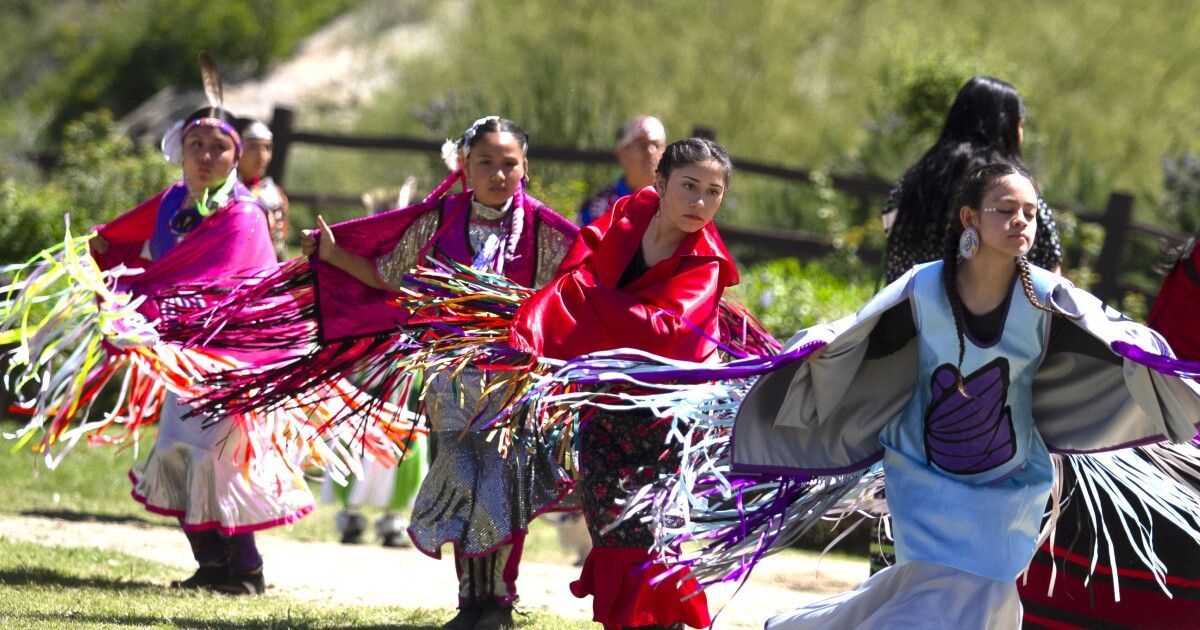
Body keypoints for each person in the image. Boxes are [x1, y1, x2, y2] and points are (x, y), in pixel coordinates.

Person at [727, 163, 1200, 628]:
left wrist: (1154, 360)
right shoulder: (923, 286)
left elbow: (1113, 335)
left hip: (1011, 481)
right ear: (970, 218)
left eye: (1030, 213)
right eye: (1005, 209)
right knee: (932, 587)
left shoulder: (1047, 295)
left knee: (988, 590)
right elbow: (858, 332)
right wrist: (817, 347)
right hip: (922, 470)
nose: (1020, 221)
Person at [302, 116, 579, 630]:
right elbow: (388, 276)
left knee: (499, 485)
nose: (498, 173)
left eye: (509, 164)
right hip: (449, 383)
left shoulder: (545, 229)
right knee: (462, 487)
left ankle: (497, 603)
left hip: (512, 383)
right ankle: (469, 602)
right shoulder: (441, 220)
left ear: (526, 168)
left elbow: (583, 286)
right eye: (485, 163)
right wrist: (334, 254)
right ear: (464, 168)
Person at [510, 137, 737, 630]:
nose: (700, 203)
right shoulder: (631, 212)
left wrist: (587, 301)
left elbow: (668, 334)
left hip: (665, 414)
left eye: (713, 193)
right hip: (604, 402)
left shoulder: (706, 261)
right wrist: (579, 299)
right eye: (689, 187)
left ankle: (664, 621)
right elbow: (581, 262)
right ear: (660, 184)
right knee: (610, 525)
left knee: (653, 530)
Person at [91, 105, 311, 595]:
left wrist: (153, 304)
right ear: (180, 152)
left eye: (219, 148)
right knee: (178, 454)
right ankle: (210, 566)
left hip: (233, 357)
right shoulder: (172, 202)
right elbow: (117, 241)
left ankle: (247, 571)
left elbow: (221, 284)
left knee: (222, 463)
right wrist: (98, 261)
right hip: (182, 356)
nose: (207, 157)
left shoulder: (243, 214)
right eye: (197, 147)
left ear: (236, 156)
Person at [870, 75, 1064, 575]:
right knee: (982, 561)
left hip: (901, 352)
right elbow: (1051, 280)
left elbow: (890, 250)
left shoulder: (912, 184)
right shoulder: (1017, 191)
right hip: (997, 368)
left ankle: (894, 589)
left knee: (905, 521)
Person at [882, 76, 1061, 284]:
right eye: (1020, 125)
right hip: (992, 313)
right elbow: (1050, 267)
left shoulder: (915, 180)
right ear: (1007, 127)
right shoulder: (1012, 187)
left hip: (908, 306)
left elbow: (889, 224)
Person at [578, 115, 667, 226]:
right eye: (642, 144)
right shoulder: (599, 208)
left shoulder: (677, 199)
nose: (651, 151)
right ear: (623, 153)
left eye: (657, 145)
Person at [234, 117, 289, 260]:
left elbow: (279, 250)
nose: (262, 156)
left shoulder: (274, 195)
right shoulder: (223, 194)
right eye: (252, 147)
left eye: (267, 148)